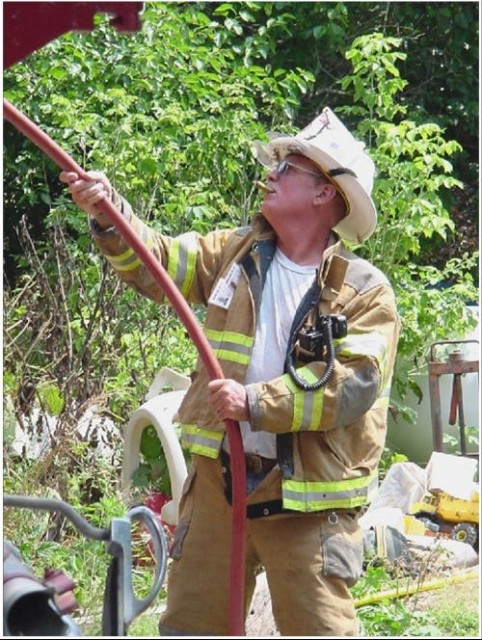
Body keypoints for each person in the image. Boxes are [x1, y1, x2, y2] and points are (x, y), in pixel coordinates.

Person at [60, 106, 400, 636]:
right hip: (221, 485)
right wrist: (110, 214)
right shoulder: (235, 254)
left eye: (287, 166)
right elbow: (157, 264)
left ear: (324, 193)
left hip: (307, 504)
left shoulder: (365, 291)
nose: (271, 172)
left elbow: (349, 388)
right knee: (192, 627)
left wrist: (255, 403)